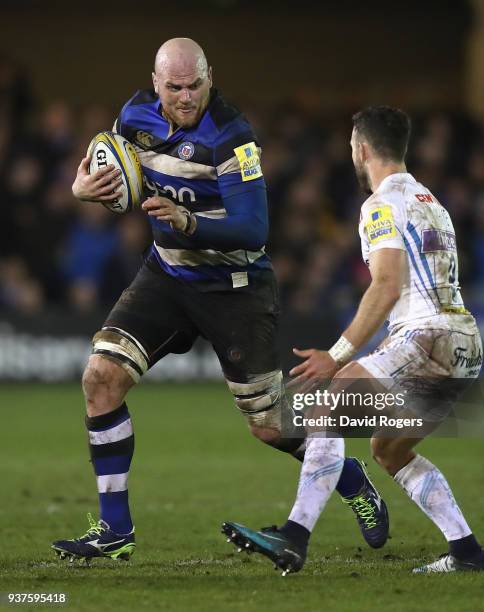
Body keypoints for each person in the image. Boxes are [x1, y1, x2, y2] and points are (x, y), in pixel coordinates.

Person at [51, 39, 389, 563]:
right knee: (100, 377)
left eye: (195, 86)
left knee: (269, 425)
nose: (185, 97)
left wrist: (190, 222)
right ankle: (115, 530)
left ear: (211, 77)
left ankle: (350, 477)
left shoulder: (233, 136)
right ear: (156, 82)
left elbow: (255, 228)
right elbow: (107, 166)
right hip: (166, 275)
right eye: (174, 87)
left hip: (235, 287)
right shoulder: (135, 114)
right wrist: (81, 187)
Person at [223, 106, 484, 575]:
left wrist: (338, 354)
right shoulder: (433, 202)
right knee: (389, 450)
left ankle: (294, 536)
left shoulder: (379, 204)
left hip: (427, 337)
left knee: (330, 397)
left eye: (351, 146)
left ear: (362, 149)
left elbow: (386, 285)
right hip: (465, 346)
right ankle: (467, 552)